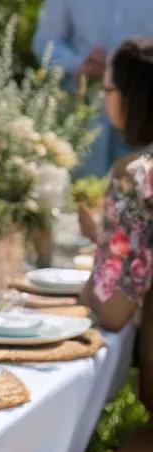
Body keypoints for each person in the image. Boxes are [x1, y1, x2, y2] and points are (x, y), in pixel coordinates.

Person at [33, 0, 153, 175]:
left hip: (138, 121)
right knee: (78, 202)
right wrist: (78, 63)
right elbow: (43, 42)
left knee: (134, 205)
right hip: (80, 116)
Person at [82, 37, 153, 410]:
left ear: (130, 95)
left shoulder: (139, 175)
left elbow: (113, 308)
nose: (102, 99)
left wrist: (86, 289)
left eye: (107, 88)